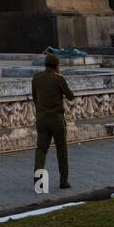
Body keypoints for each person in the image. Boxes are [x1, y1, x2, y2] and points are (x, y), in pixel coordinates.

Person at [32, 52, 76, 189]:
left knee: (41, 150)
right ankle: (63, 182)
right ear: (56, 66)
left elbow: (35, 99)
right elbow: (70, 96)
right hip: (57, 120)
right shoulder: (59, 79)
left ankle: (40, 183)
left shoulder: (36, 78)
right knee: (61, 151)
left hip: (42, 120)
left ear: (45, 65)